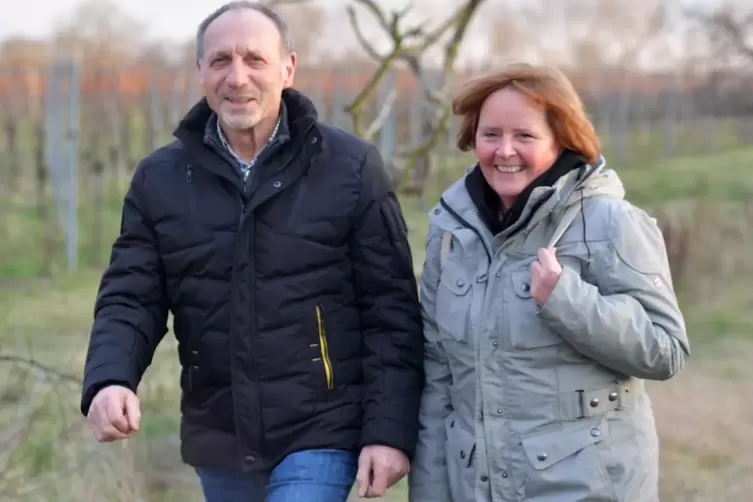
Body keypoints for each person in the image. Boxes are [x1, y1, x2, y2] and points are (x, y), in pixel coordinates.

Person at [80, 2, 424, 501]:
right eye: (220, 61)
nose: (237, 77)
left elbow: (390, 311)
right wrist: (110, 378)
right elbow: (131, 295)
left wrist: (388, 432)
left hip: (322, 430)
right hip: (220, 435)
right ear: (201, 71)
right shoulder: (161, 179)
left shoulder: (350, 170)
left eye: (254, 60)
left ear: (288, 68)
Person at [408, 63, 691, 502]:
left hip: (585, 488)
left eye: (524, 136)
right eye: (491, 135)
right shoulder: (451, 234)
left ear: (560, 139)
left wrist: (568, 301)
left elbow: (665, 349)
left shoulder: (611, 222)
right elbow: (438, 375)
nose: (504, 151)